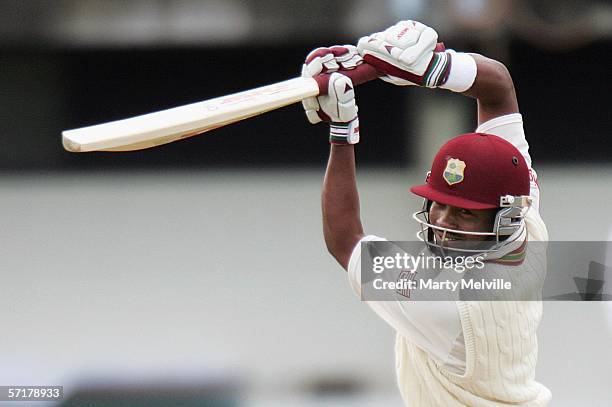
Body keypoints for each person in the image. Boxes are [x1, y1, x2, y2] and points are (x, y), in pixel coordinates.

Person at [301, 20, 551, 406]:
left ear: (503, 218)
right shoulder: (524, 223)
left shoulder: (449, 304)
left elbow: (344, 240)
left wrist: (342, 131)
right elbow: (498, 85)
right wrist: (433, 68)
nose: (443, 223)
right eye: (439, 204)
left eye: (465, 215)